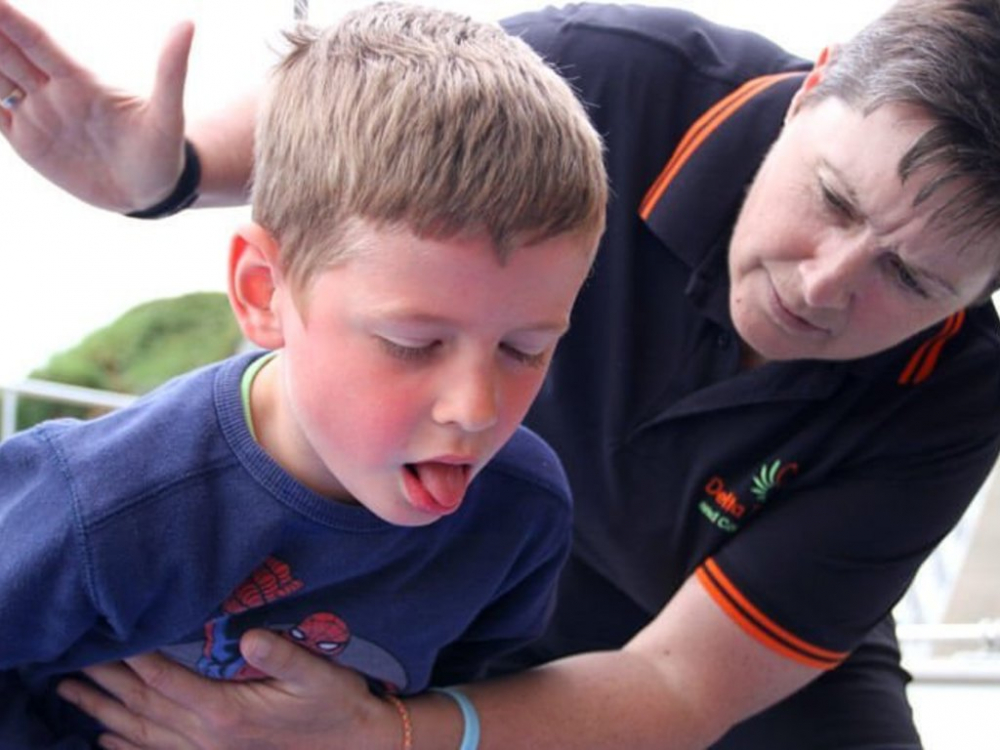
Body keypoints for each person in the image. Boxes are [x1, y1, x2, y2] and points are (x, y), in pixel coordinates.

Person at [4, 0, 1000, 748]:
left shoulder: (955, 396)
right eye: (832, 200)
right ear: (810, 91)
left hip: (673, 620)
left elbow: (680, 687)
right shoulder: (615, 71)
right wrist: (173, 172)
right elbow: (385, 114)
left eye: (910, 279)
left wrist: (386, 736)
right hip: (433, 531)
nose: (823, 284)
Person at [0, 3, 607, 748]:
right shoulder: (96, 503)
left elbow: (466, 690)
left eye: (525, 349)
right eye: (413, 342)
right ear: (263, 291)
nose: (474, 408)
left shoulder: (521, 513)